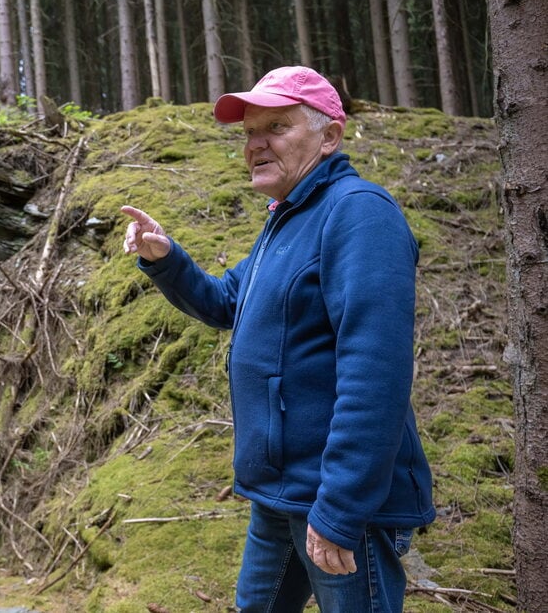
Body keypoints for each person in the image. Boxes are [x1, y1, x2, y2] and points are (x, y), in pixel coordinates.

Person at [121, 66, 435, 612]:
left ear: (329, 136)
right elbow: (225, 303)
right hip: (279, 493)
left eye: (277, 127)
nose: (256, 144)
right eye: (248, 131)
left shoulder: (358, 214)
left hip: (334, 501)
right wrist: (165, 259)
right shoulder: (288, 220)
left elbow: (376, 373)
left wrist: (340, 508)